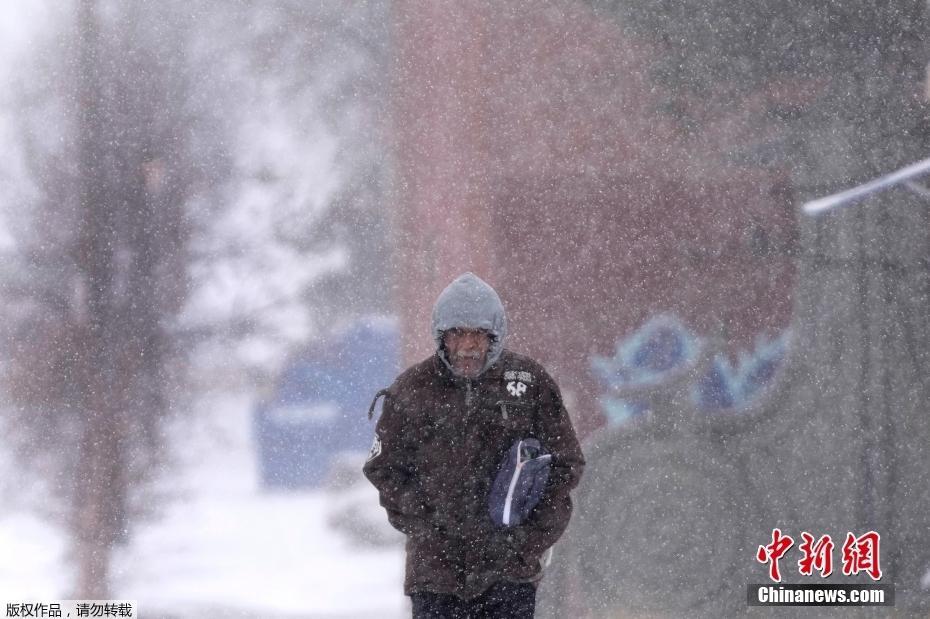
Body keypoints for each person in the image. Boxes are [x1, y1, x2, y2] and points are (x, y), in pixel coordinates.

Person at [364, 272, 585, 618]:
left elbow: (566, 464)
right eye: (457, 333)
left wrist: (527, 543)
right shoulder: (412, 390)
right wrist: (427, 525)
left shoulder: (529, 384)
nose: (468, 346)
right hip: (435, 578)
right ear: (442, 336)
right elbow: (383, 468)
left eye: (478, 334)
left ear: (494, 336)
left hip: (509, 576)